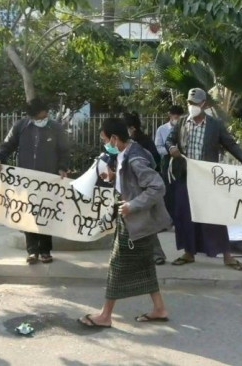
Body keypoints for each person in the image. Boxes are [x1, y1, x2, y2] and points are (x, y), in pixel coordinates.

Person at [78, 118, 171, 328]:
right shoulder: (126, 153)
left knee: (117, 267)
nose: (105, 144)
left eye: (105, 140)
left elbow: (157, 187)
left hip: (135, 220)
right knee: (145, 265)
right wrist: (112, 178)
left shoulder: (134, 159)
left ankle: (105, 316)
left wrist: (133, 205)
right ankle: (159, 308)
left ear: (114, 138)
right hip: (133, 221)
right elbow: (132, 182)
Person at [166, 88, 242, 271]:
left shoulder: (214, 125)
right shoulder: (182, 122)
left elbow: (230, 144)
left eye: (195, 103)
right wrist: (171, 148)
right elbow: (169, 140)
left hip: (207, 178)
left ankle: (227, 255)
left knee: (214, 216)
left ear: (204, 104)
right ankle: (188, 253)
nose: (192, 106)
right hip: (185, 176)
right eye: (189, 103)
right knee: (185, 215)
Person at [0, 98, 70, 265]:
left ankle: (45, 250)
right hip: (26, 180)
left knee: (45, 214)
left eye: (41, 117)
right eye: (36, 118)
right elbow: (8, 144)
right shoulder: (21, 126)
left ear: (46, 112)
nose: (39, 120)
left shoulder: (56, 128)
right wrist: (0, 159)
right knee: (28, 214)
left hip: (48, 180)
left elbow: (64, 151)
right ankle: (32, 251)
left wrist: (62, 167)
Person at [122, 111, 167, 266]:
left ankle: (156, 254)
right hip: (136, 187)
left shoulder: (139, 144)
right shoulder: (130, 144)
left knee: (145, 223)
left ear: (132, 128)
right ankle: (152, 254)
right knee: (143, 223)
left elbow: (153, 161)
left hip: (143, 186)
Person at [155, 105, 184, 215]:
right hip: (168, 161)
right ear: (170, 115)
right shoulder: (162, 129)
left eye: (179, 117)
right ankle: (169, 215)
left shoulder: (185, 128)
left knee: (181, 187)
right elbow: (158, 146)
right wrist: (170, 151)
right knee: (168, 188)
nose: (177, 119)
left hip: (181, 160)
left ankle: (180, 213)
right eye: (175, 116)